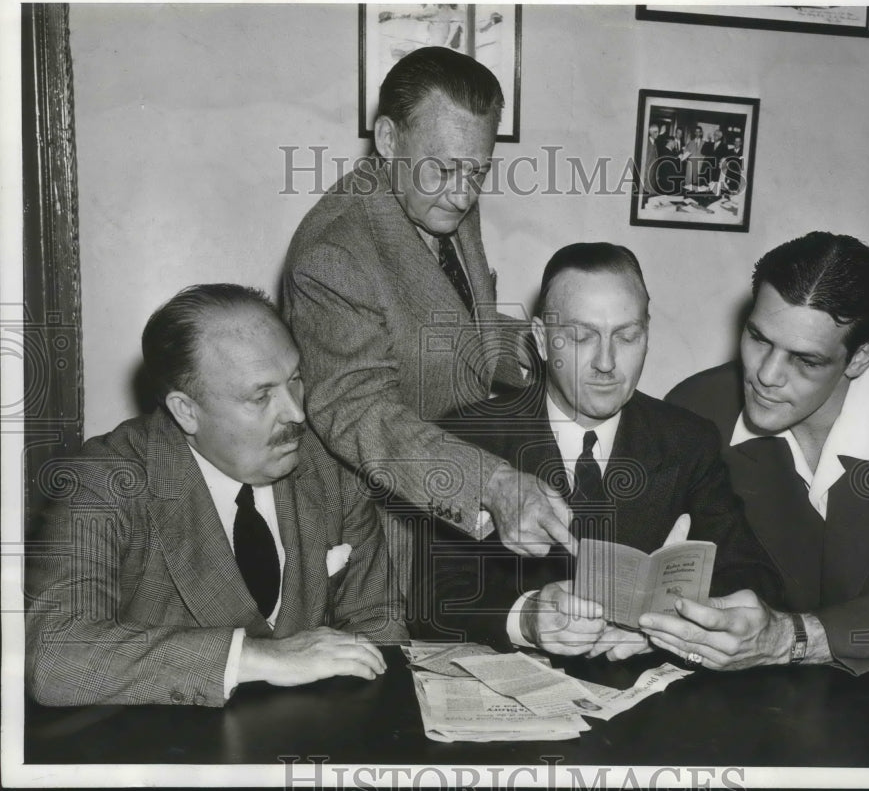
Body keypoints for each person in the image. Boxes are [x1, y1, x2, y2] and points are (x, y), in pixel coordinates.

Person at [283, 47, 573, 603]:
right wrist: (490, 483)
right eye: (444, 169)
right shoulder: (333, 255)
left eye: (479, 170)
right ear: (389, 139)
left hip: (460, 508)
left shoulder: (436, 186)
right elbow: (361, 413)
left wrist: (543, 350)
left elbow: (451, 324)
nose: (463, 194)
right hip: (381, 531)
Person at [25, 285, 407, 707]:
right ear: (186, 410)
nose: (297, 413)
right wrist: (255, 657)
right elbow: (56, 657)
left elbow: (380, 629)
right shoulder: (101, 482)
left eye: (295, 380)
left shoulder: (328, 464)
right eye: (261, 396)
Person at [413, 243, 782, 658]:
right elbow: (430, 597)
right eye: (581, 336)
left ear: (646, 333)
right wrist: (527, 618)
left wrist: (669, 624)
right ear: (540, 339)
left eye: (627, 336)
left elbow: (756, 579)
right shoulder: (467, 435)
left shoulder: (687, 440)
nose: (606, 363)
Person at [659, 232, 869, 674]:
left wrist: (791, 638)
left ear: (860, 357)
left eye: (805, 360)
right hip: (755, 703)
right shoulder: (696, 409)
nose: (767, 375)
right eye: (758, 338)